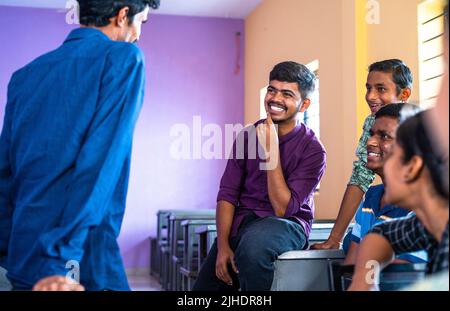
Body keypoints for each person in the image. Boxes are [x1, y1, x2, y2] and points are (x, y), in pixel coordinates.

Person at [0, 0, 160, 291]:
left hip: (23, 252)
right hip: (77, 255)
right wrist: (62, 260)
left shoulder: (24, 76)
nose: (138, 34)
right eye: (142, 22)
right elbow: (99, 165)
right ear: (123, 15)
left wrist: (8, 253)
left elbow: (5, 175)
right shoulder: (123, 57)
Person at [192, 61, 326, 291]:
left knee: (254, 247)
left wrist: (271, 150)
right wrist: (223, 245)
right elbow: (227, 194)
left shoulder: (313, 150)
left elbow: (283, 208)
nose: (275, 98)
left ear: (304, 104)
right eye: (272, 90)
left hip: (286, 224)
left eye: (286, 94)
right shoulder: (247, 136)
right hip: (243, 224)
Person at [313, 59, 413, 250]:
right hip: (389, 204)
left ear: (404, 93)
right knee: (353, 241)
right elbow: (360, 176)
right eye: (368, 88)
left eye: (381, 89)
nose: (371, 96)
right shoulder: (371, 122)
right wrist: (335, 238)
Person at [348, 110, 449, 290]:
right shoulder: (426, 224)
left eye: (392, 157)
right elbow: (379, 236)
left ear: (412, 167)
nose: (370, 143)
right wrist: (366, 281)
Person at [343, 103, 426, 265]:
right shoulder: (371, 199)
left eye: (384, 136)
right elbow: (351, 266)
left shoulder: (422, 208)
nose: (370, 142)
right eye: (371, 134)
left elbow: (403, 278)